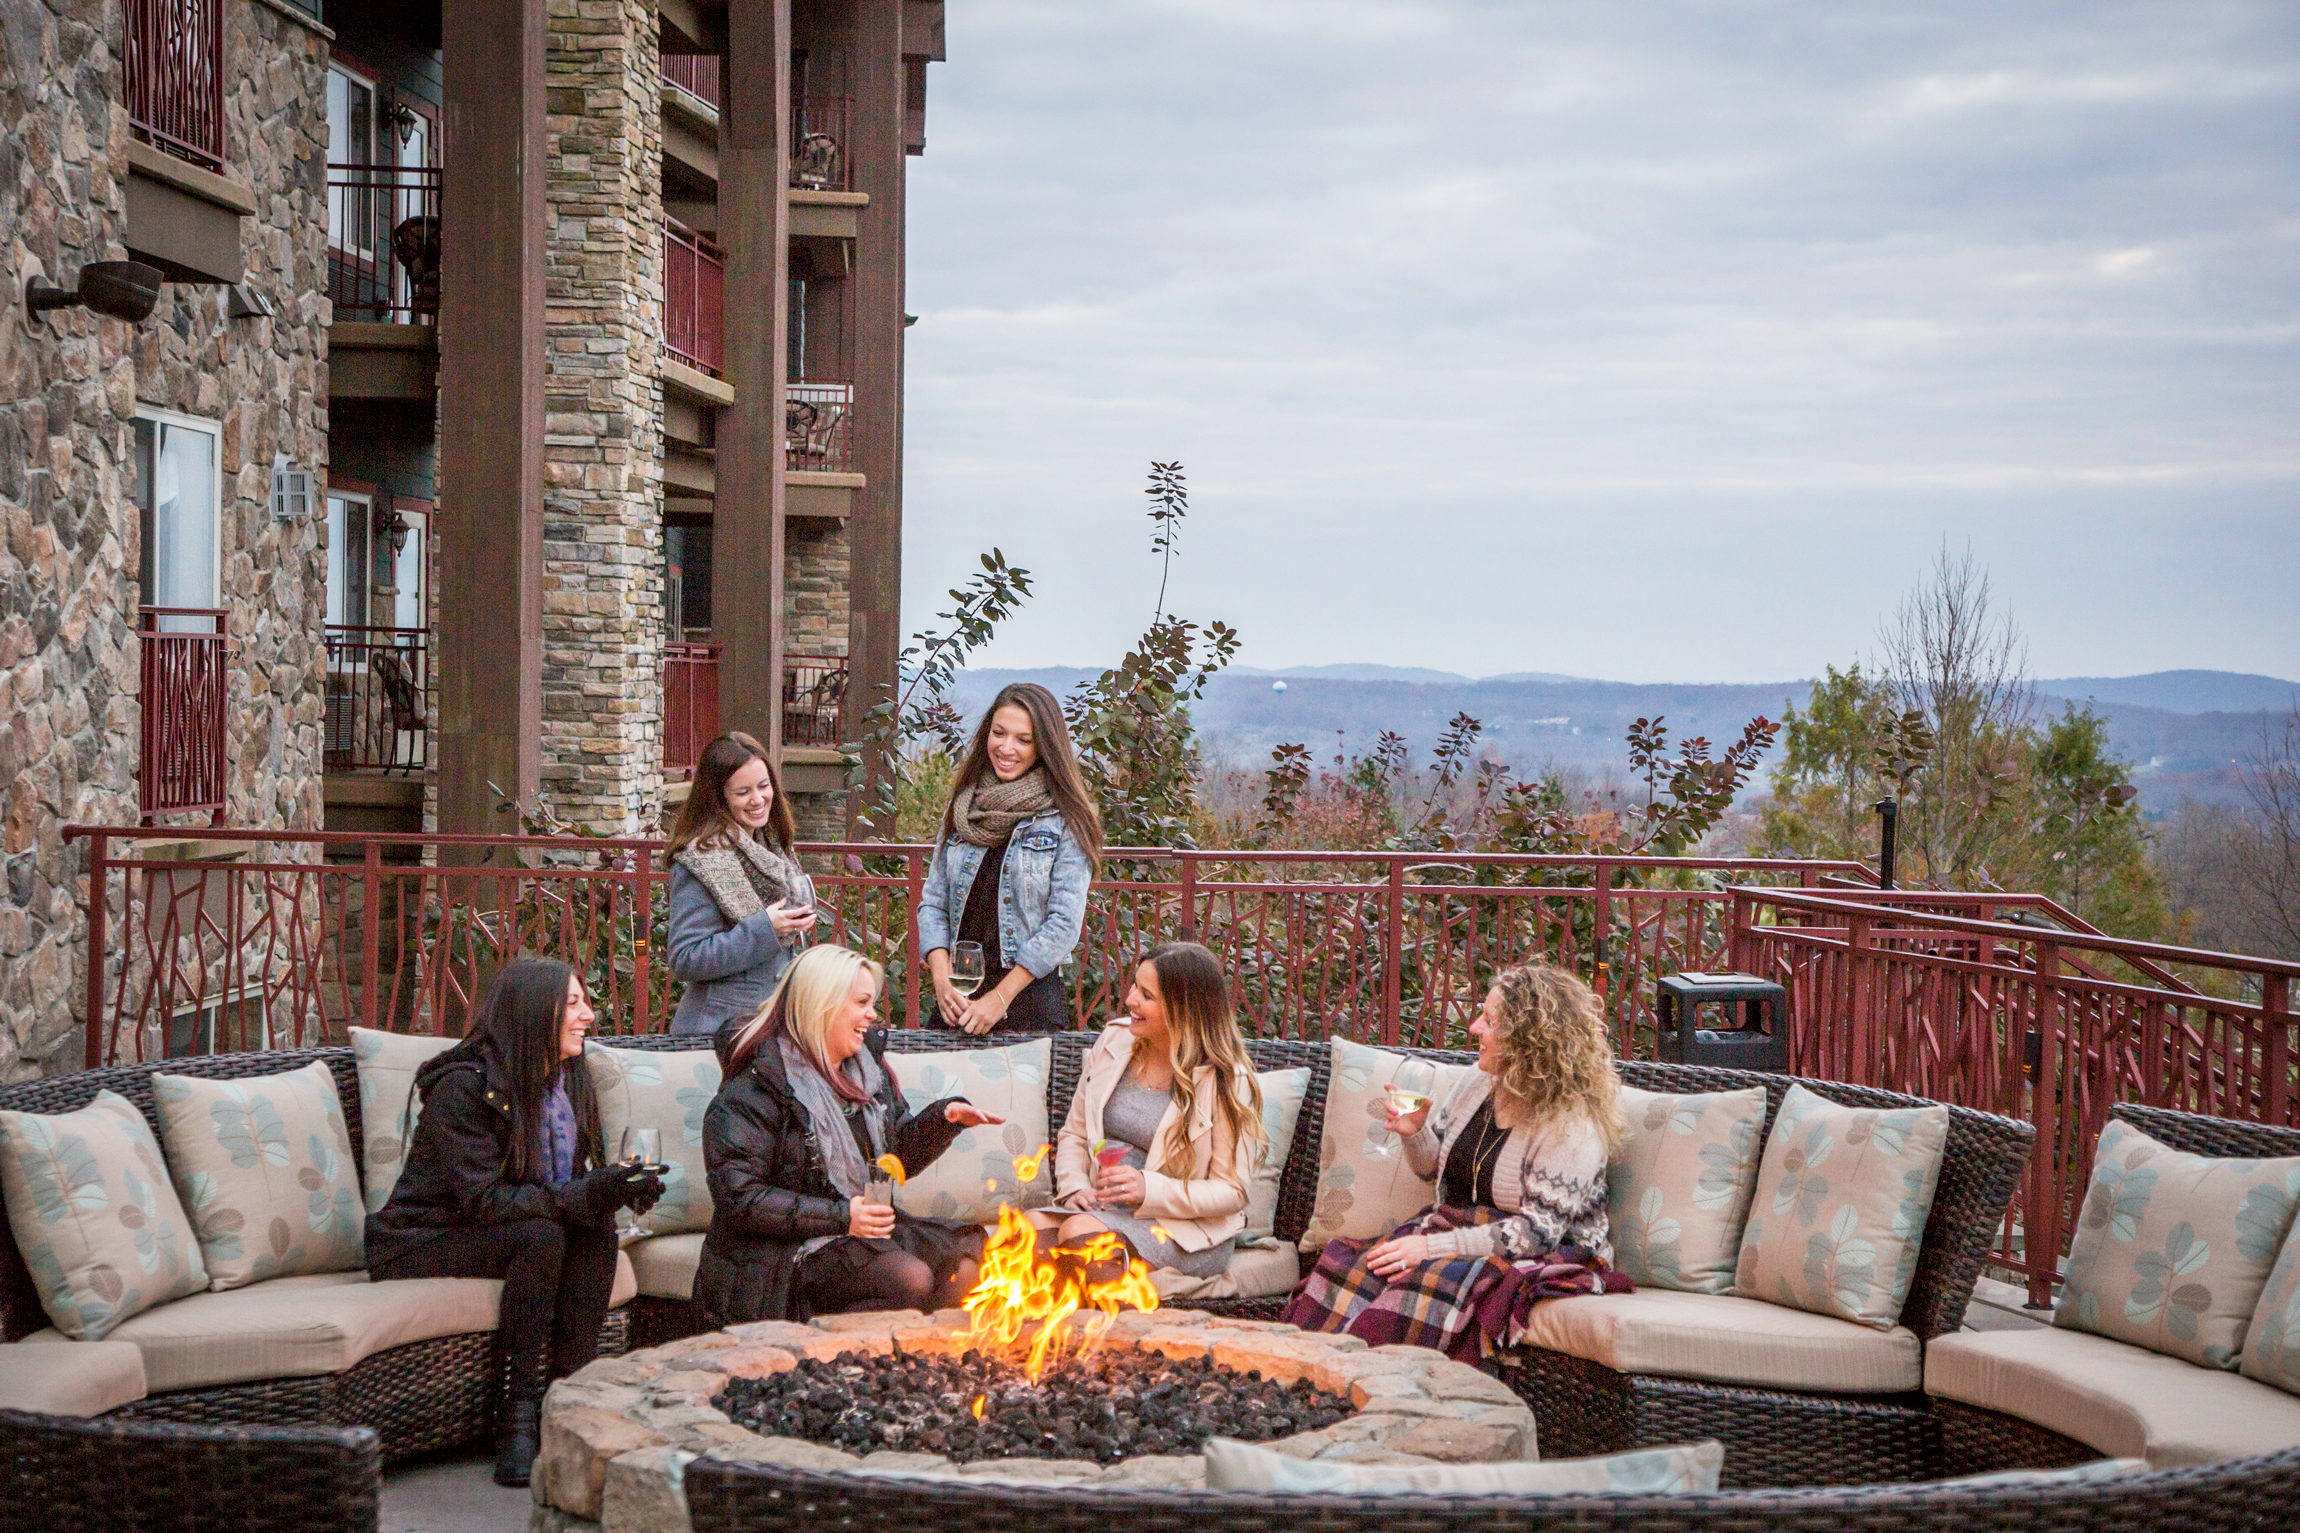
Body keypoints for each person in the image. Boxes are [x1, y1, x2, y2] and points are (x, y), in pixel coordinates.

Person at [367, 958, 664, 1486]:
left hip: (501, 1226)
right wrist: (586, 1193)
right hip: (421, 1238)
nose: (588, 1016)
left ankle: (571, 1397)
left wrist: (619, 1189)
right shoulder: (462, 1086)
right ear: (534, 1013)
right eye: (573, 1005)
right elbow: (483, 1201)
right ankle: (519, 1413)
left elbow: (571, 1188)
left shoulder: (567, 1077)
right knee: (542, 1233)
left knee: (591, 1225)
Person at [1281, 963, 1632, 1366]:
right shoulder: (1478, 1083)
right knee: (1349, 1267)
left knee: (1414, 1285)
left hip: (1547, 1251)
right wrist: (1414, 1133)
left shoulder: (1569, 1124)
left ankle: (1377, 1389)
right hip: (1464, 1230)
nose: (1473, 1027)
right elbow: (1435, 1171)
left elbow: (1537, 1233)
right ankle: (1307, 1375)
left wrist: (1429, 1248)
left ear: (1527, 1038)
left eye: (1489, 1020)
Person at [693, 944, 1005, 1325]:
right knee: (909, 1278)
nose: (872, 1015)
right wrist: (842, 1216)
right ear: (822, 1005)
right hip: (775, 1258)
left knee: (968, 1266)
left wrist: (944, 1119)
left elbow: (894, 1160)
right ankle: (827, 1365)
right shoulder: (755, 1087)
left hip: (852, 1233)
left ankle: (921, 1367)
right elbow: (740, 1198)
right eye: (861, 1002)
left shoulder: (864, 1074)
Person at [1036, 942, 1264, 1280]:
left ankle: (1112, 1329)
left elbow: (1232, 1191)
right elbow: (1076, 1132)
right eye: (1134, 987)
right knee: (1030, 1228)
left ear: (1183, 1010)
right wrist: (1075, 1187)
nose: (1130, 1000)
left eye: (1147, 995)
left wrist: (1149, 1188)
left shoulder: (1224, 1079)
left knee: (1079, 1235)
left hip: (1182, 1228)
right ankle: (1059, 1332)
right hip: (1102, 1208)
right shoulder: (1115, 1041)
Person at [916, 682, 1101, 1033]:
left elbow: (1063, 925)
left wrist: (999, 999)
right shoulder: (964, 807)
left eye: (1023, 739)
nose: (1006, 747)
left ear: (1044, 747)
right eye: (998, 734)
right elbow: (933, 902)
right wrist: (941, 980)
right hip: (959, 1000)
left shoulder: (1067, 819)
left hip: (1027, 1004)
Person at [666, 732, 819, 1037]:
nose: (758, 799)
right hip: (717, 1035)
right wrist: (766, 928)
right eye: (742, 792)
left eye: (764, 786)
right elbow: (685, 958)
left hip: (767, 1029)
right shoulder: (701, 858)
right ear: (718, 797)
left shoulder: (771, 845)